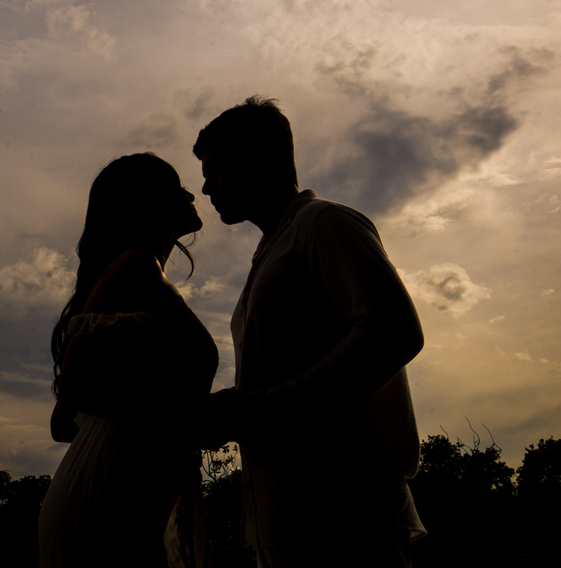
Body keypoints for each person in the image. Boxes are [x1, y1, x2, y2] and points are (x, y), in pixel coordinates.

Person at [196, 97, 426, 568]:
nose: (205, 187)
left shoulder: (324, 224)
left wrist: (256, 408)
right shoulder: (273, 250)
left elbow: (394, 330)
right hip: (292, 516)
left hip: (348, 518)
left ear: (259, 158)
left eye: (215, 169)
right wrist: (238, 406)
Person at [39, 152, 219, 568]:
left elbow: (63, 421)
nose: (193, 193)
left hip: (105, 493)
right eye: (177, 185)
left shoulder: (136, 277)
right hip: (110, 510)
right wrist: (188, 417)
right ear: (152, 201)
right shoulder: (137, 267)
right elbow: (72, 392)